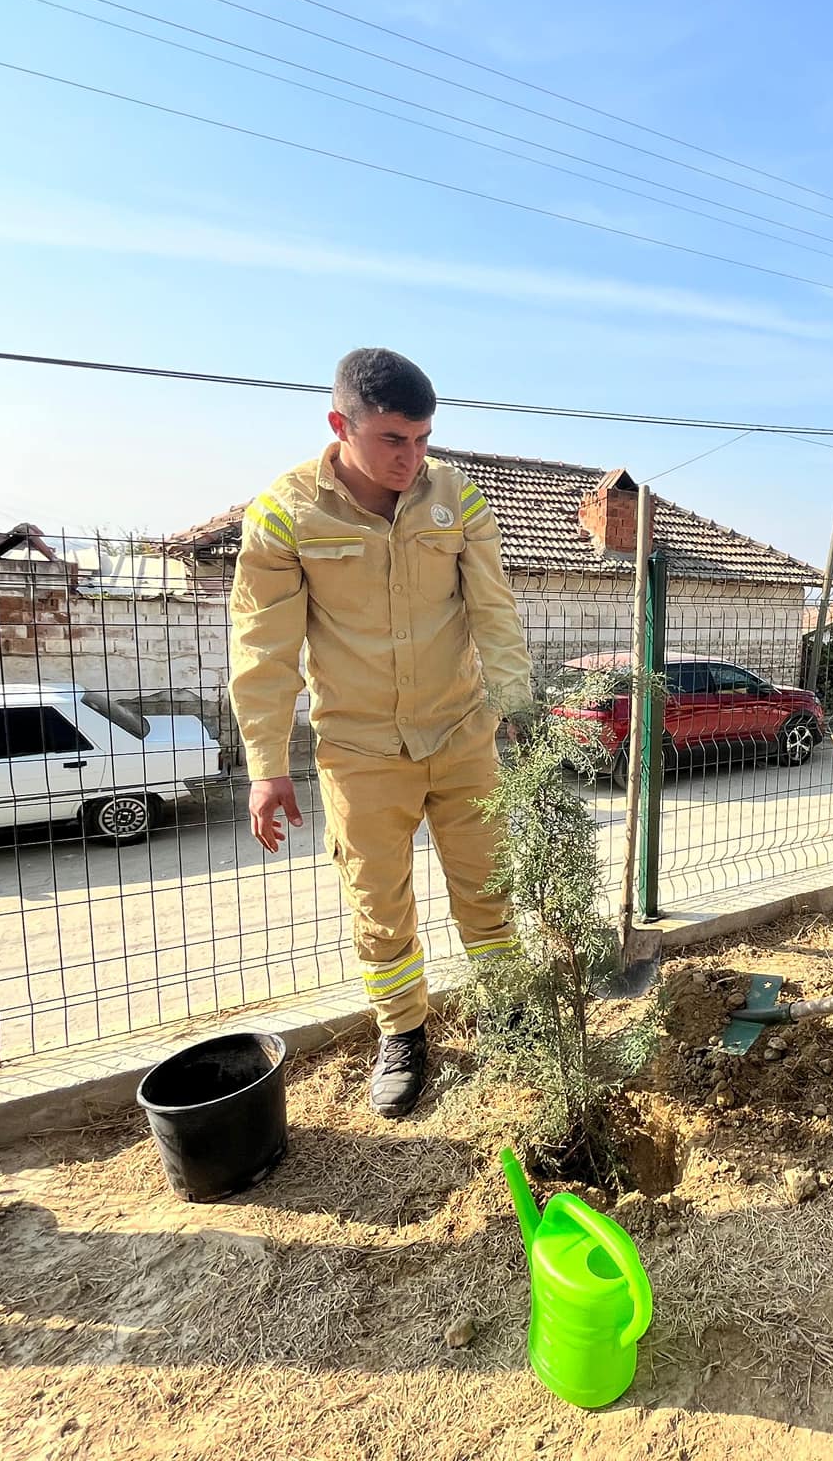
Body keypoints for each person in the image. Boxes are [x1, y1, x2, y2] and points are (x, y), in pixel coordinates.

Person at [229, 349, 531, 1118]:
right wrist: (267, 764)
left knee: (488, 891)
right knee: (379, 909)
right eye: (395, 440)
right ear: (342, 425)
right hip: (361, 752)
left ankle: (510, 1014)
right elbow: (263, 647)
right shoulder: (285, 512)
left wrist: (515, 710)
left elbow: (493, 610)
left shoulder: (455, 498)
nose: (414, 458)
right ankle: (404, 1035)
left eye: (425, 438)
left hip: (463, 736)